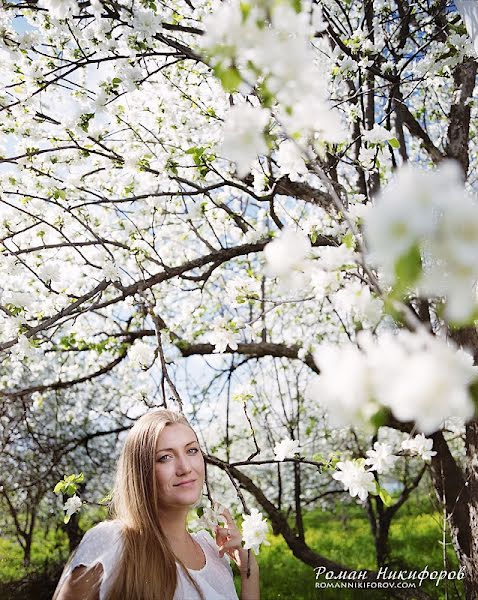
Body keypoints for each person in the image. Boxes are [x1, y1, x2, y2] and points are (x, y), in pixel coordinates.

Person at [53, 409, 260, 600]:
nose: (185, 467)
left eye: (192, 451)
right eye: (165, 457)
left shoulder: (214, 552)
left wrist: (249, 572)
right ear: (140, 472)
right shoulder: (113, 542)